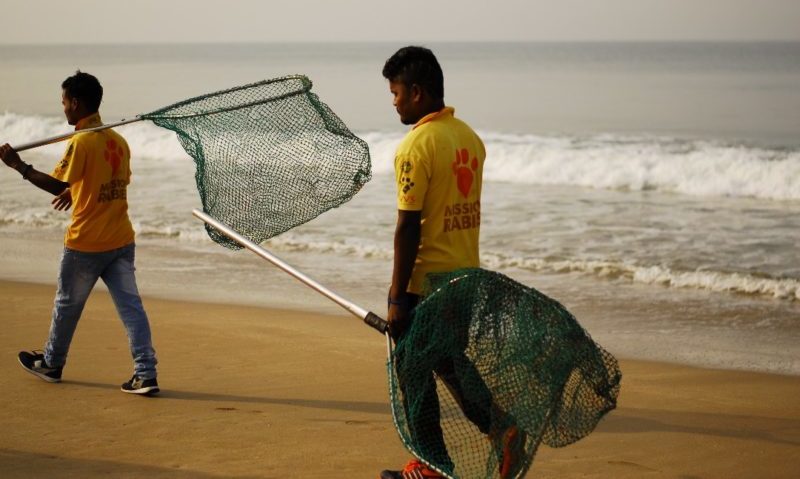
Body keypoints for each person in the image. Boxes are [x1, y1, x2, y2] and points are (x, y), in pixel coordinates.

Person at [380, 46, 524, 479]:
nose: (394, 102)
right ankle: (502, 431)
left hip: (427, 282)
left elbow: (409, 226)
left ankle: (430, 466)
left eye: (397, 93)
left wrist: (397, 297)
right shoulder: (468, 137)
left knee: (412, 372)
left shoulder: (416, 146)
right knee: (449, 363)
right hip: (465, 275)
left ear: (419, 93)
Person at [0, 71, 159, 395]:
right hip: (121, 240)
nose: (63, 109)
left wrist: (19, 166)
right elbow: (113, 183)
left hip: (86, 243)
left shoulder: (82, 141)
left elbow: (58, 184)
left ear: (76, 102)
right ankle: (146, 374)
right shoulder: (118, 140)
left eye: (64, 102)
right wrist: (78, 190)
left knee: (66, 305)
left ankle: (52, 363)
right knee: (132, 307)